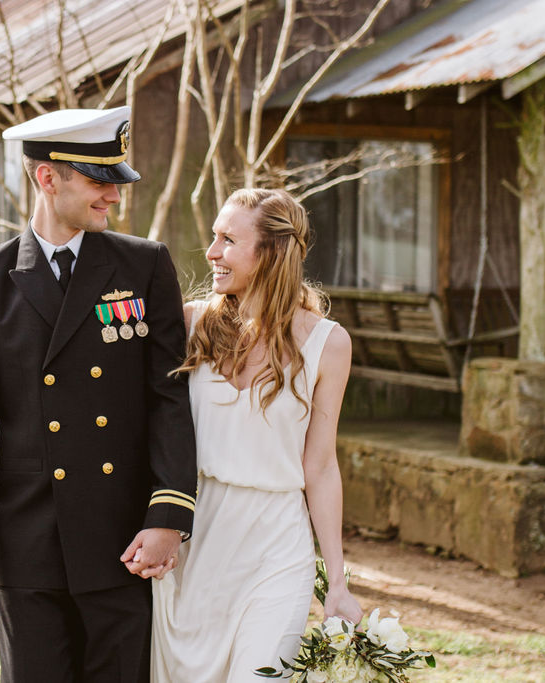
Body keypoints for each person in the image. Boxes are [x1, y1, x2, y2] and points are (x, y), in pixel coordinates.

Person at [0, 106, 197, 683]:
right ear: (48, 178)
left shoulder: (144, 264)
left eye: (117, 182)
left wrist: (167, 515)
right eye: (99, 181)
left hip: (123, 540)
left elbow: (169, 399)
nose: (113, 197)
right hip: (31, 541)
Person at [151, 188, 363, 682]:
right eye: (213, 237)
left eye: (227, 240)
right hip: (195, 539)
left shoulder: (329, 344)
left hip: (277, 547)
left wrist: (336, 582)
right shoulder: (190, 324)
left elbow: (322, 464)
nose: (211, 252)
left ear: (270, 253)